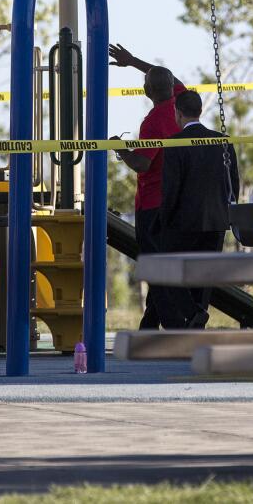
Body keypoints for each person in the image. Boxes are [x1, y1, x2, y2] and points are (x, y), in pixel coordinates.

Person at [108, 43, 187, 329]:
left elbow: (142, 164)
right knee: (161, 263)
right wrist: (133, 62)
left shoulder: (154, 122)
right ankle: (149, 326)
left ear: (147, 92)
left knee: (154, 266)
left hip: (152, 203)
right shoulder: (181, 103)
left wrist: (122, 150)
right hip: (176, 202)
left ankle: (176, 326)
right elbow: (167, 77)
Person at [159, 89, 239, 329]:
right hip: (216, 220)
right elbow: (233, 182)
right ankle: (199, 316)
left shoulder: (174, 144)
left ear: (178, 113)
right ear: (200, 111)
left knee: (169, 271)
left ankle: (193, 312)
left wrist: (164, 219)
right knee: (204, 275)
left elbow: (171, 188)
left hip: (184, 221)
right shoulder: (222, 142)